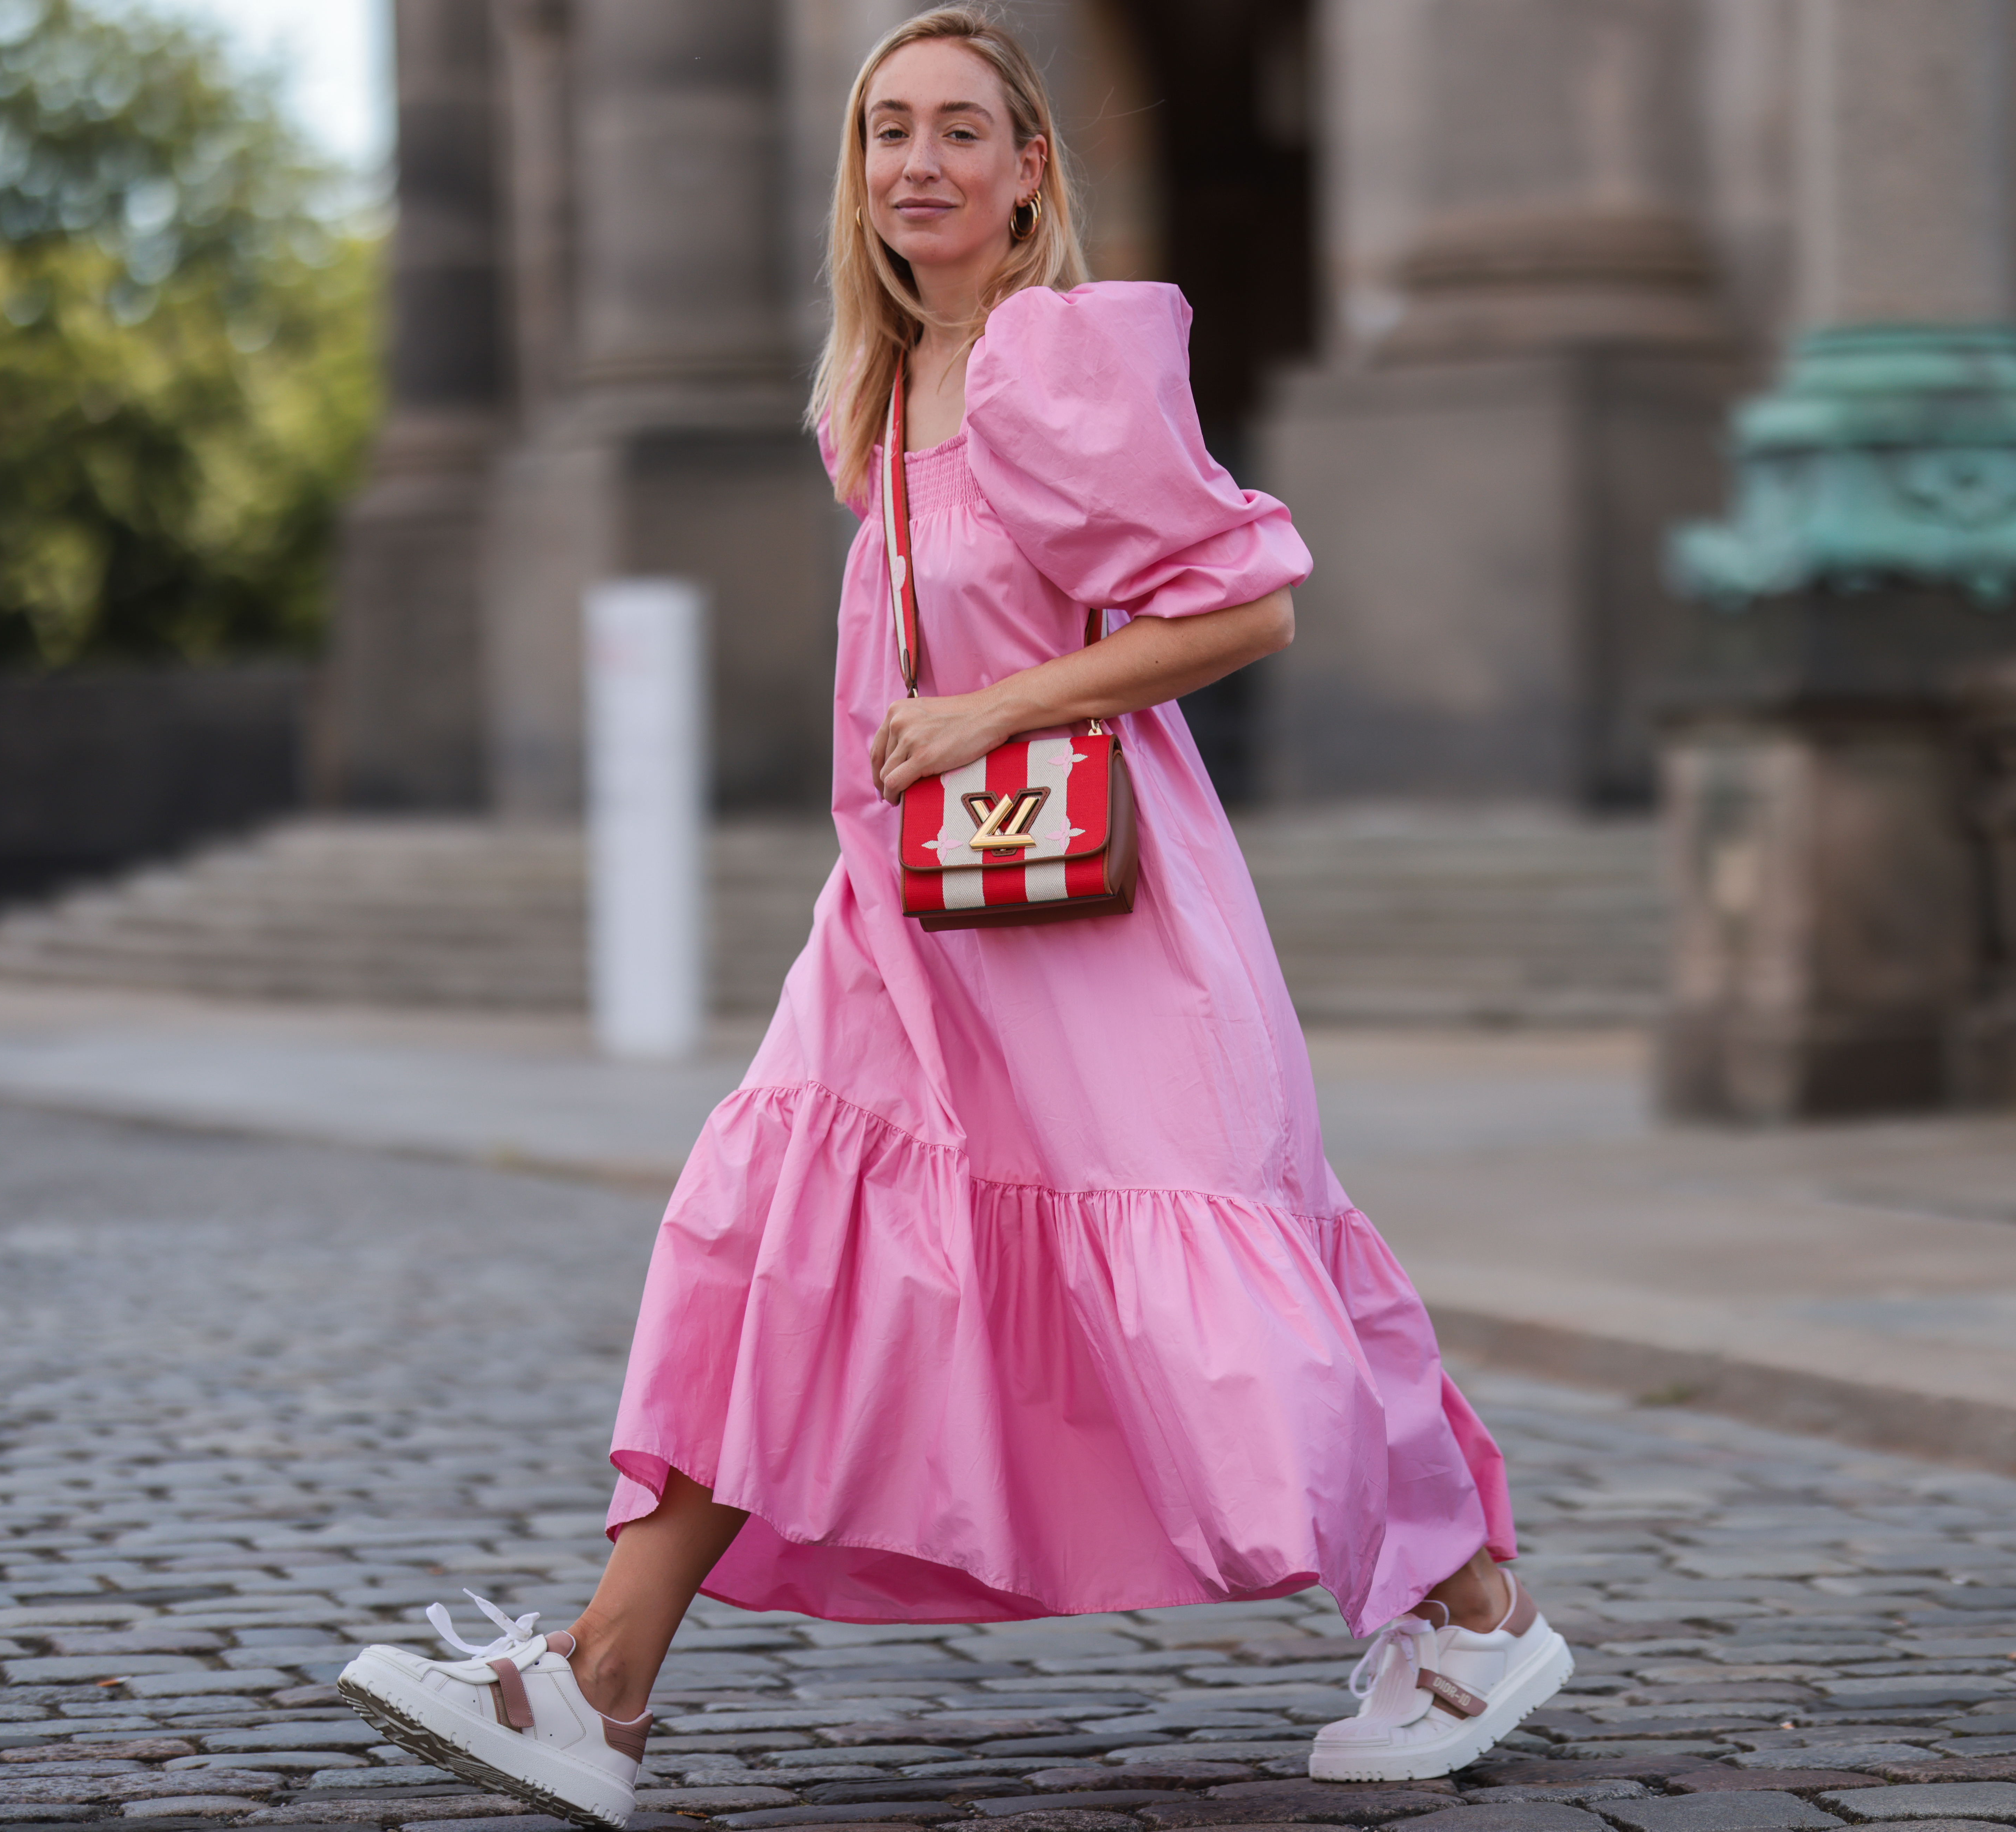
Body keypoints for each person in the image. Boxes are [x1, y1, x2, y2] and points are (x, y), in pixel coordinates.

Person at [334, 10, 1571, 1824]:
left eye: (957, 130)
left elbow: (1246, 607)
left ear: (1026, 169)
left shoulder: (1053, 364)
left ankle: (1474, 1612)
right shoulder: (875, 394)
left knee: (1239, 1290)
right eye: (884, 129)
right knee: (775, 1235)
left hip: (1090, 920)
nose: (916, 160)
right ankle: (594, 1685)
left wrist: (999, 710)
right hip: (907, 918)